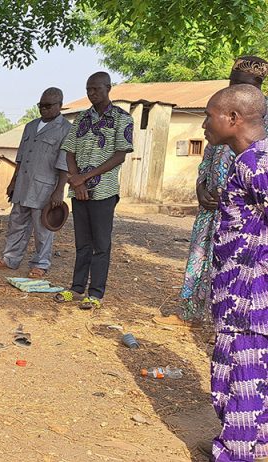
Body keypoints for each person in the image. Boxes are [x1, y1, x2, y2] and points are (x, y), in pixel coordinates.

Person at [203, 83, 268, 462]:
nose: (204, 125)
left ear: (232, 118)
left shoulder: (255, 163)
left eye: (208, 116)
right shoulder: (251, 159)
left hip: (247, 297)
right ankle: (257, 448)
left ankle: (236, 454)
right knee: (255, 377)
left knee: (241, 378)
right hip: (242, 291)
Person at [177, 56, 268, 323]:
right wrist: (200, 187)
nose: (238, 89)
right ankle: (192, 313)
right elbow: (208, 157)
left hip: (245, 209)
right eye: (234, 83)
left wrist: (234, 195)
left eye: (247, 85)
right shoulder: (221, 113)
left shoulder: (256, 117)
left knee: (239, 264)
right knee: (202, 257)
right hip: (210, 204)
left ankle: (228, 318)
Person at [53, 72, 134, 310]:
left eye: (96, 89)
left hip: (103, 190)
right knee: (82, 243)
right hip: (79, 190)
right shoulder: (81, 118)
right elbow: (69, 151)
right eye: (89, 89)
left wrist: (84, 177)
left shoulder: (122, 118)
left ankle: (96, 293)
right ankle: (77, 288)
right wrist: (76, 181)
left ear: (108, 88)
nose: (92, 93)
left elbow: (119, 156)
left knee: (101, 244)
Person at [0, 88, 71, 278]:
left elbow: (64, 163)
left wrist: (59, 190)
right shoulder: (31, 126)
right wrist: (13, 181)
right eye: (41, 105)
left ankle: (40, 264)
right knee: (16, 222)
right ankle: (10, 258)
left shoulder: (66, 129)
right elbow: (20, 157)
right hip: (23, 184)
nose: (43, 109)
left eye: (48, 105)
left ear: (60, 105)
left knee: (42, 228)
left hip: (45, 187)